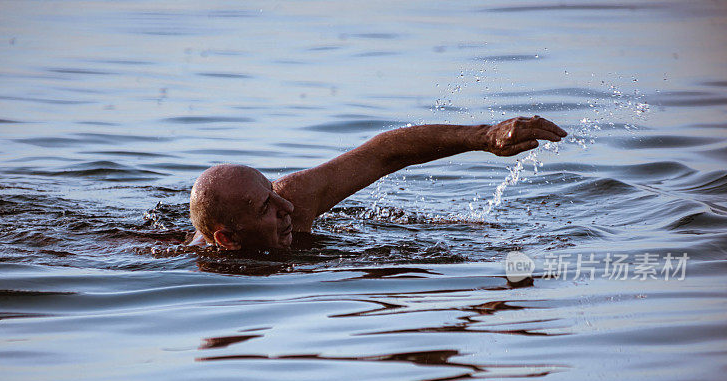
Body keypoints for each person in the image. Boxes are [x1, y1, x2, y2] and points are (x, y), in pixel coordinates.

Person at [189, 115, 567, 250]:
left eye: (271, 192)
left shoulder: (294, 198)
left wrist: (483, 137)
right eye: (264, 208)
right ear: (227, 239)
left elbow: (382, 153)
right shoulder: (199, 268)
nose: (285, 207)